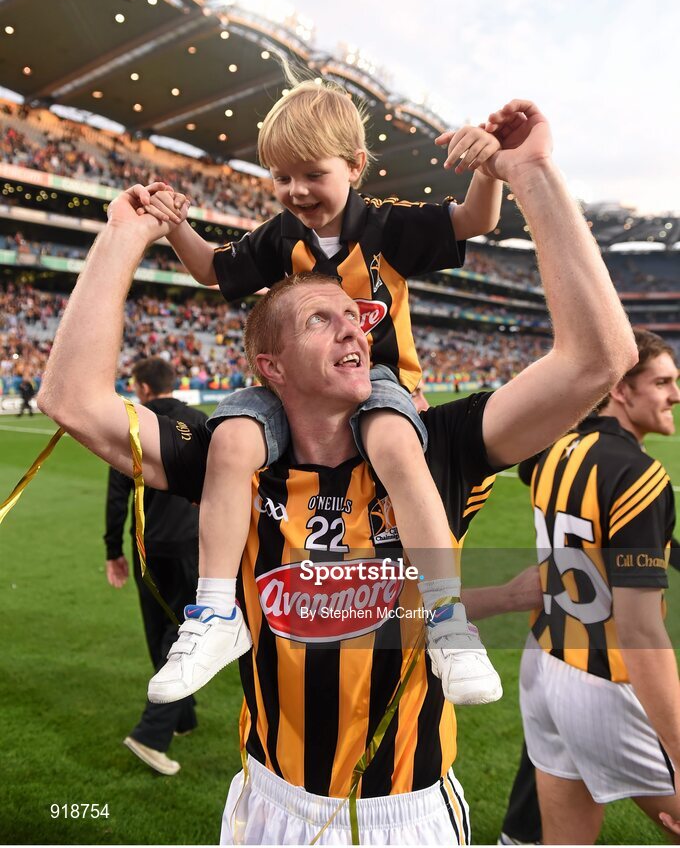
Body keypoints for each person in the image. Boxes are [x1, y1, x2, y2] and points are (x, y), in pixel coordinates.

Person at [36, 99, 637, 844]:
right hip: (268, 804)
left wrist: (532, 174)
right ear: (270, 366)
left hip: (409, 810)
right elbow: (68, 398)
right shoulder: (236, 448)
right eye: (322, 316)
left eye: (359, 316)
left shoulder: (433, 447)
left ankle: (446, 620)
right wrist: (124, 237)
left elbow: (598, 360)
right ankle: (214, 616)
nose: (357, 321)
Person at [139, 76, 507, 710]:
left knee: (395, 443)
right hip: (287, 388)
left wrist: (491, 165)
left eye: (311, 173)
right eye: (280, 177)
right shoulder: (278, 236)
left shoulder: (388, 227)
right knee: (229, 441)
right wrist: (175, 227)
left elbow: (479, 217)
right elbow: (211, 269)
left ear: (356, 166)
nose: (295, 191)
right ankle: (216, 613)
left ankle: (447, 616)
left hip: (375, 382)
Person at [516, 328, 680, 845]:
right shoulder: (641, 476)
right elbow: (642, 632)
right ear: (620, 389)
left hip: (544, 663)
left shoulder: (556, 450)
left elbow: (598, 534)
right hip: (602, 680)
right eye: (661, 382)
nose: (675, 394)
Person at [104, 356, 204, 776]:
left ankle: (182, 717)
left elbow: (115, 496)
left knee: (159, 630)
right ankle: (151, 733)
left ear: (143, 388)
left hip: (148, 549)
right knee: (183, 637)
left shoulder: (132, 425)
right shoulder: (199, 423)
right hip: (190, 547)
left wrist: (113, 551)